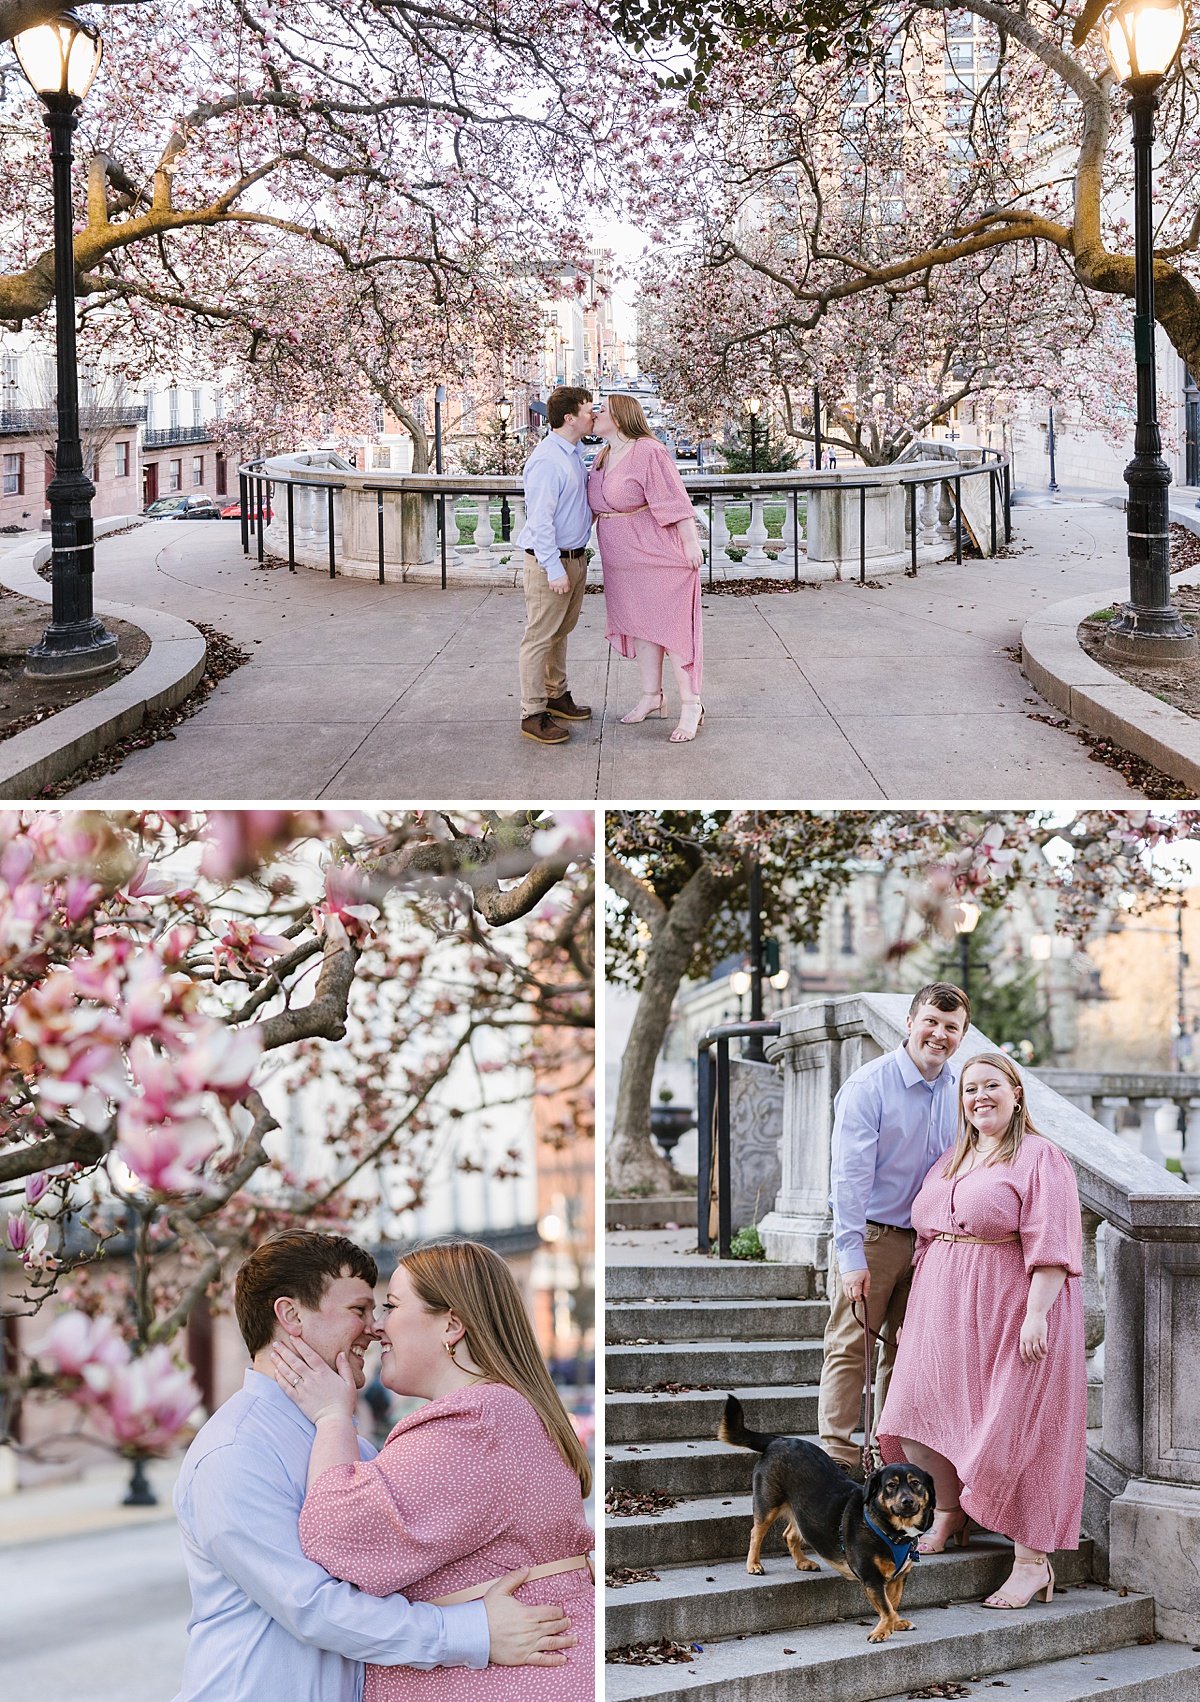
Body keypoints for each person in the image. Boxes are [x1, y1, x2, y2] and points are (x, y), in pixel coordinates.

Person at [173, 1230, 574, 1702]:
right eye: (358, 1310)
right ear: (291, 1315)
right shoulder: (236, 1452)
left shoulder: (349, 1446)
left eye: (381, 1309)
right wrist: (475, 1632)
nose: (373, 1328)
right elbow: (312, 1606)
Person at [876, 1052, 1086, 1610]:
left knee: (1016, 1433)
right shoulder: (954, 1156)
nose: (979, 1097)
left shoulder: (1042, 1158)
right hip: (940, 1310)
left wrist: (1037, 1313)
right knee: (917, 1416)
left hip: (1012, 1311)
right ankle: (948, 1515)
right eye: (969, 1090)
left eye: (991, 1086)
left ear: (1015, 1092)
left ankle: (1031, 1564)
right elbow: (925, 1238)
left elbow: (1054, 1242)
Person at [818, 981, 971, 1474]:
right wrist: (850, 1256)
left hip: (932, 1246)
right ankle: (838, 1457)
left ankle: (889, 1456)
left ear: (963, 1035)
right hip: (875, 1237)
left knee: (906, 1354)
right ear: (910, 1023)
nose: (939, 1034)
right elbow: (849, 1178)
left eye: (951, 1027)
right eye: (931, 1021)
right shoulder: (870, 1086)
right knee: (851, 1345)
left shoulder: (961, 1092)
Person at [588, 393, 706, 743]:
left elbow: (674, 498)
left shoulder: (648, 451)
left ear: (620, 418)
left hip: (654, 553)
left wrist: (690, 543)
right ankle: (651, 697)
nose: (595, 414)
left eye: (602, 410)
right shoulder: (603, 454)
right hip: (620, 559)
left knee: (672, 630)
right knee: (641, 628)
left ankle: (691, 704)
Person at [516, 385, 595, 747]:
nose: (592, 415)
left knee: (560, 632)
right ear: (570, 418)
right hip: (553, 561)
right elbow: (541, 521)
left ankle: (556, 694)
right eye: (588, 410)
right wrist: (554, 568)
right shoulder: (549, 459)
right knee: (538, 638)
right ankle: (532, 713)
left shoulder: (573, 452)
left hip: (575, 557)